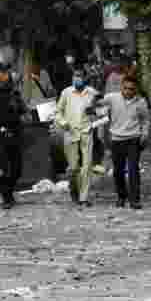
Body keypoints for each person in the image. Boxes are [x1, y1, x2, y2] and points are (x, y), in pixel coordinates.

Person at [55, 68, 100, 207]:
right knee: (73, 167)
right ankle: (74, 189)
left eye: (80, 76)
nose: (77, 79)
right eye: (75, 76)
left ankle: (84, 197)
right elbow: (57, 112)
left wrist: (94, 120)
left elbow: (102, 112)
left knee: (87, 165)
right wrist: (63, 123)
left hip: (87, 132)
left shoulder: (92, 93)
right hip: (70, 132)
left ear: (85, 78)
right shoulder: (66, 92)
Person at [104, 75, 149, 209]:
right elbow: (98, 103)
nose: (128, 91)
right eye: (125, 88)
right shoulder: (112, 98)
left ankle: (135, 200)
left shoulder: (140, 102)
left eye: (131, 89)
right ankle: (121, 197)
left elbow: (145, 120)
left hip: (133, 139)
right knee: (118, 171)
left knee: (133, 169)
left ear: (135, 89)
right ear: (121, 87)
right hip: (116, 139)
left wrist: (145, 134)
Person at [0, 67, 28, 209]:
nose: (5, 82)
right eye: (2, 80)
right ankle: (6, 198)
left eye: (6, 79)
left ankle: (9, 191)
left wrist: (19, 106)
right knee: (3, 168)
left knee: (17, 169)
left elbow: (23, 110)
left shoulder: (13, 92)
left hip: (15, 133)